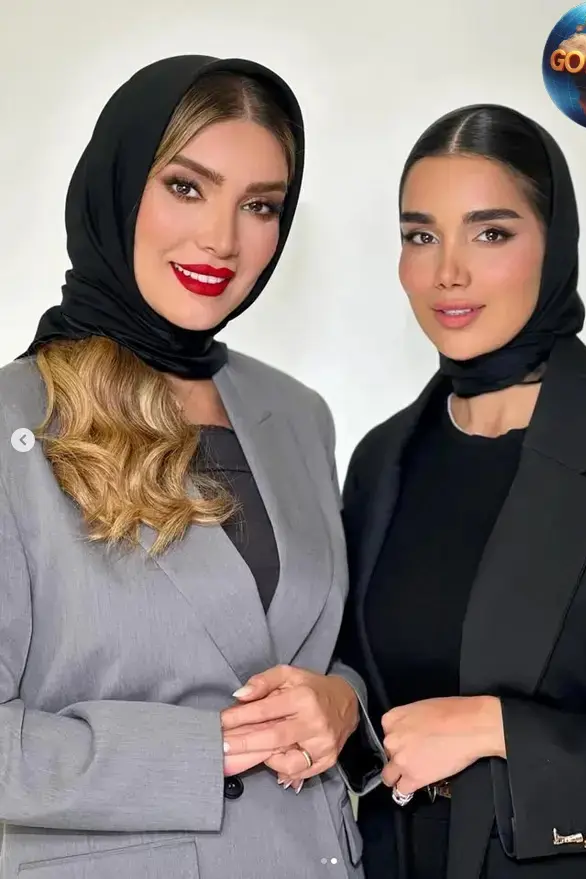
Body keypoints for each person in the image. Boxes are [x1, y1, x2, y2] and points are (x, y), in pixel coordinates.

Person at [0, 54, 375, 879]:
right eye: (186, 186)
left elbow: (313, 645)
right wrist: (200, 750)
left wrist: (342, 702)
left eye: (260, 205)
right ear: (116, 186)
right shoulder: (15, 423)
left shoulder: (296, 413)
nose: (221, 239)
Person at [335, 103, 586, 879]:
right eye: (420, 236)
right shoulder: (381, 460)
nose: (447, 272)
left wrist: (498, 728)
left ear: (555, 243)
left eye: (489, 233)